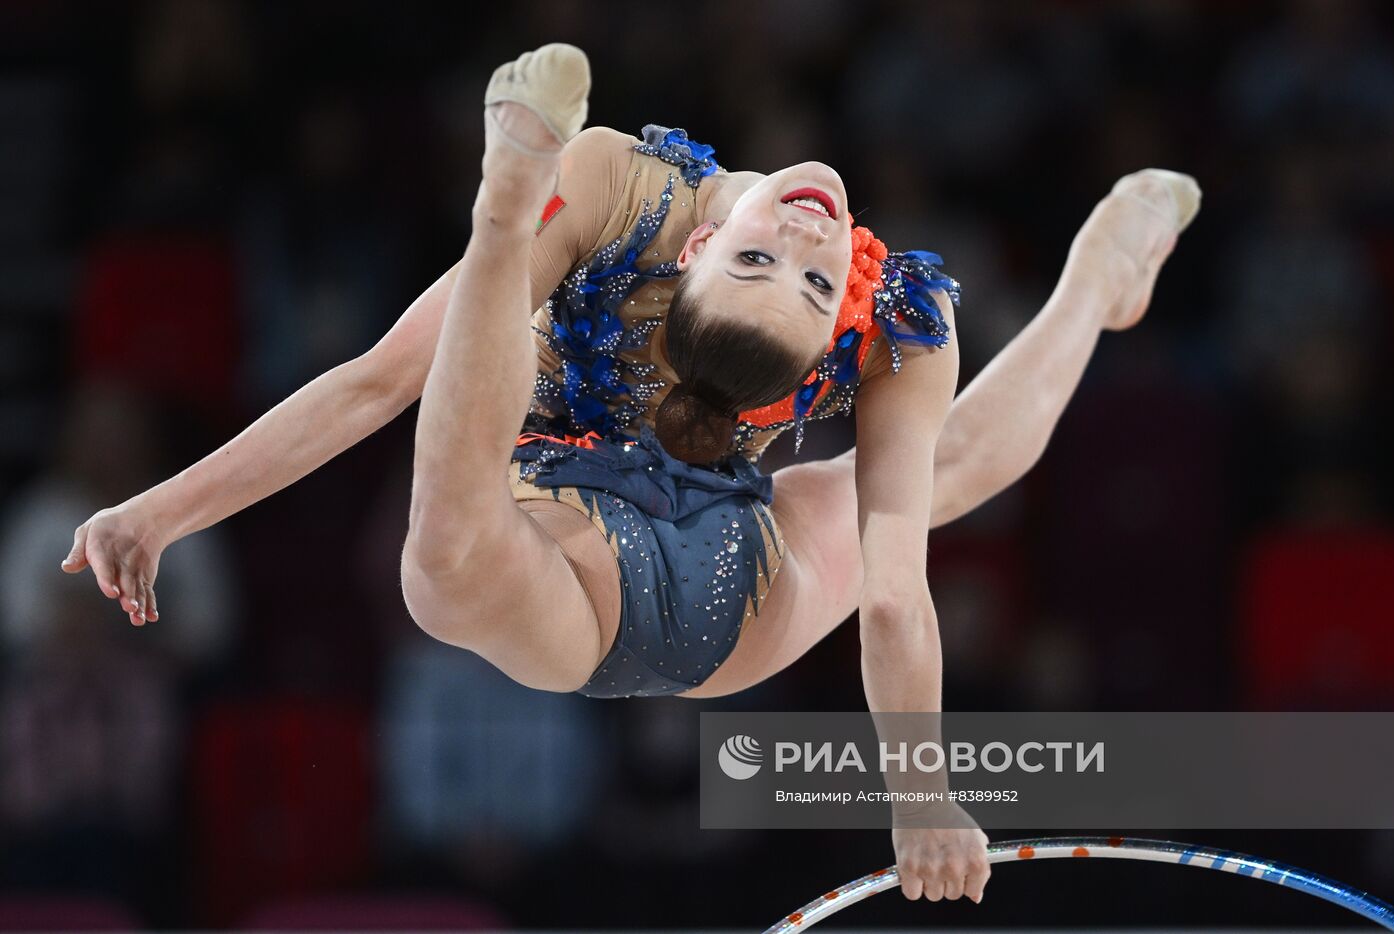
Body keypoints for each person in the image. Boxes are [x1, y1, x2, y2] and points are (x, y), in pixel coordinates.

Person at [60, 44, 1200, 904]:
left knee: (920, 475)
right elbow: (375, 381)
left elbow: (896, 589)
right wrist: (161, 512)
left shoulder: (901, 321)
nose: (808, 245)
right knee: (454, 534)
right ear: (697, 248)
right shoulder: (616, 185)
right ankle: (499, 227)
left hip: (722, 581)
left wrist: (922, 800)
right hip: (562, 530)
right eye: (773, 264)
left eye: (805, 283)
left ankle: (1093, 283)